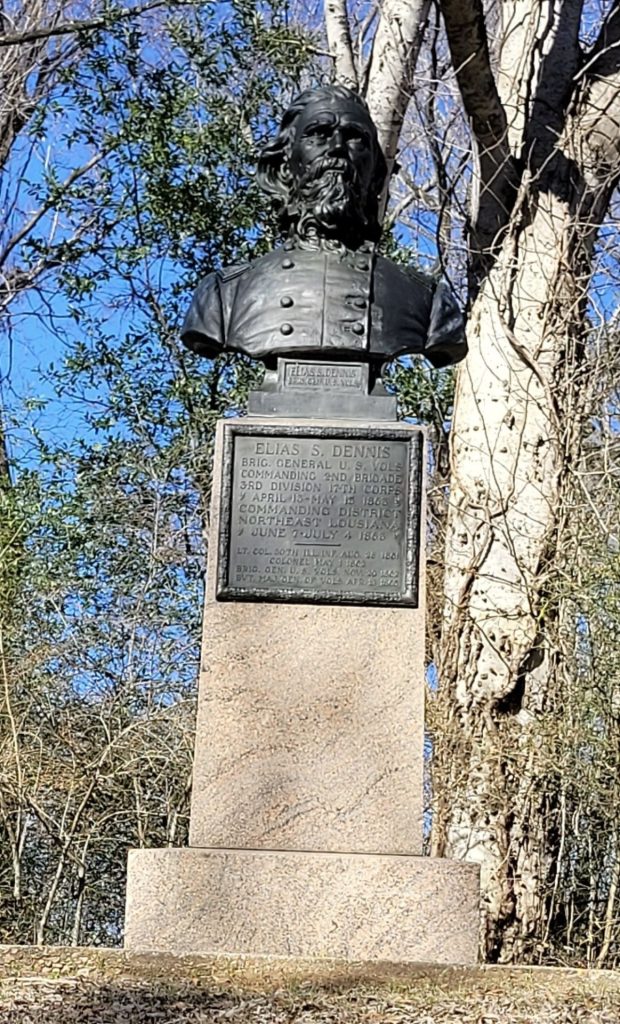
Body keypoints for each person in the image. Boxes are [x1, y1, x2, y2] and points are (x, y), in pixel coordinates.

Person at [181, 84, 466, 370]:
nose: (338, 147)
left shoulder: (427, 300)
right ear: (283, 166)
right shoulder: (225, 294)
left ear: (376, 173)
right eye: (318, 134)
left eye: (355, 138)